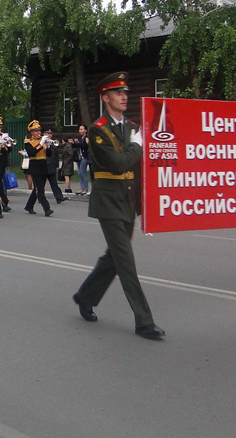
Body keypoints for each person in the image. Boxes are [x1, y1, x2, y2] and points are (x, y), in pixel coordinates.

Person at [73, 71, 165, 340]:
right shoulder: (97, 129)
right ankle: (144, 321)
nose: (125, 96)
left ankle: (85, 296)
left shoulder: (133, 126)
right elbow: (117, 163)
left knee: (113, 257)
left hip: (128, 201)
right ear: (105, 97)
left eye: (126, 92)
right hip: (109, 202)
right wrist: (137, 146)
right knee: (125, 261)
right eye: (118, 93)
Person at [23, 121, 55, 217]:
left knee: (38, 188)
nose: (38, 133)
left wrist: (49, 146)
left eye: (39, 131)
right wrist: (41, 143)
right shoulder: (28, 141)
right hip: (35, 166)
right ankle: (47, 209)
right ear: (31, 132)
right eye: (36, 131)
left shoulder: (43, 140)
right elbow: (31, 152)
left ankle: (29, 206)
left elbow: (49, 154)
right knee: (40, 190)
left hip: (43, 166)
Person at [77, 124, 90, 195]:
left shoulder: (86, 138)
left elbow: (85, 147)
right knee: (80, 173)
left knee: (83, 173)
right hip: (79, 157)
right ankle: (82, 188)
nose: (80, 131)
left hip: (84, 157)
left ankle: (86, 188)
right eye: (79, 129)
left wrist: (78, 144)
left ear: (85, 130)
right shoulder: (80, 138)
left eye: (82, 129)